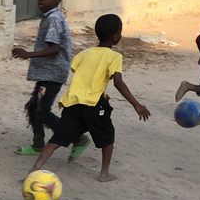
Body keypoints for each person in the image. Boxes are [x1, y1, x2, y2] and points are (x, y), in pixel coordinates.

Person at [29, 14, 150, 182]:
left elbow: (81, 73)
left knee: (57, 139)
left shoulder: (83, 54)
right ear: (116, 36)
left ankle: (35, 169)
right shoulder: (114, 57)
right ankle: (104, 174)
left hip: (72, 103)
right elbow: (118, 83)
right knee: (107, 137)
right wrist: (136, 104)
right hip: (94, 104)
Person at [12, 0, 74, 157]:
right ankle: (38, 144)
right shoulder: (49, 17)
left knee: (41, 111)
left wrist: (28, 54)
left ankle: (74, 136)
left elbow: (54, 49)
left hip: (52, 74)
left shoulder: (54, 19)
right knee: (34, 108)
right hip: (47, 73)